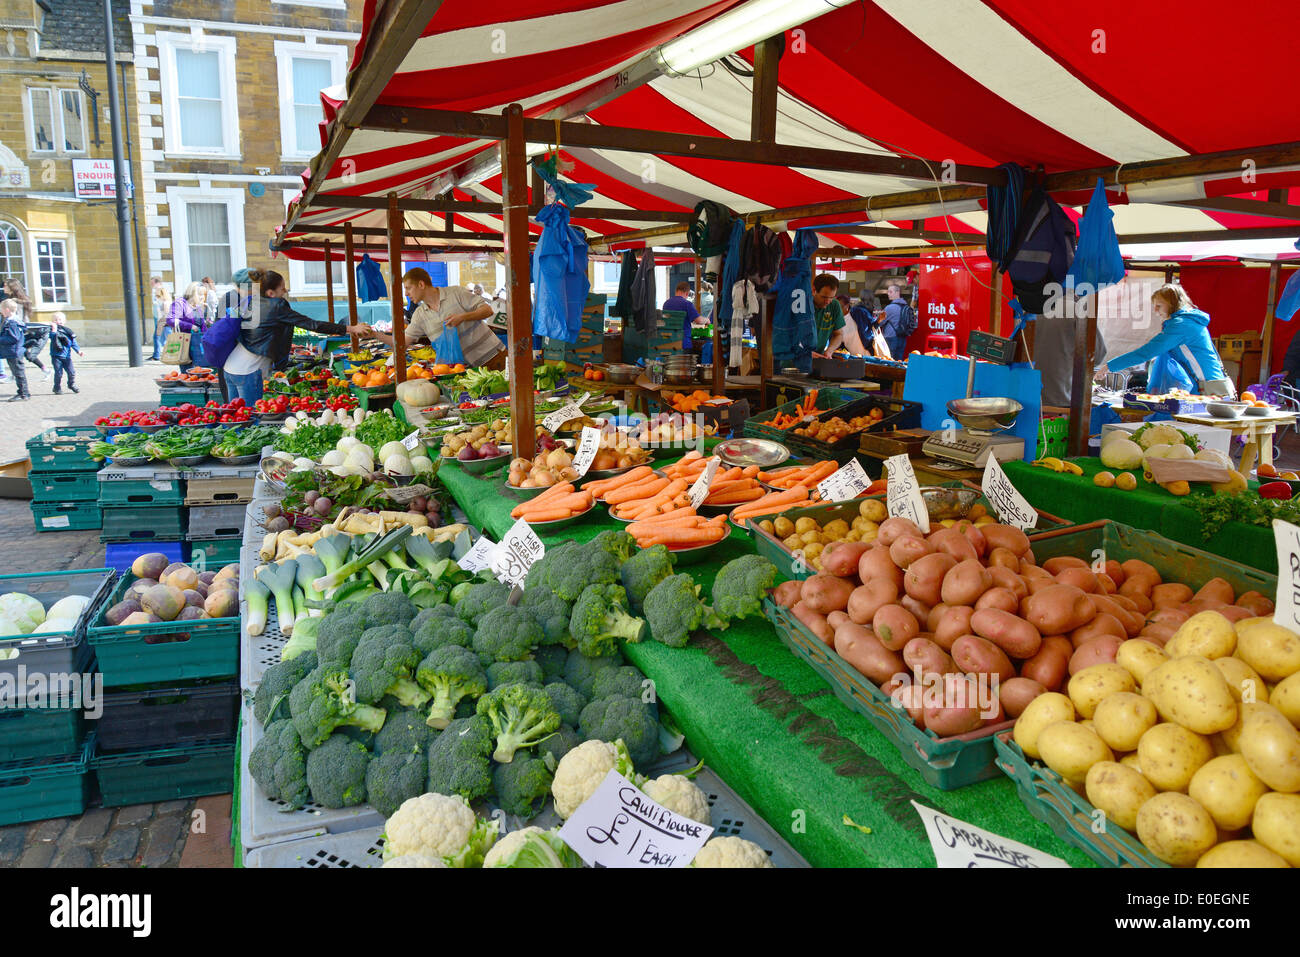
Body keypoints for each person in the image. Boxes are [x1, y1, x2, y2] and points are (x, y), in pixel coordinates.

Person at [223, 269, 367, 404]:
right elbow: (313, 325)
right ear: (271, 293)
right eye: (282, 288)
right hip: (248, 371)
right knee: (251, 421)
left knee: (236, 420)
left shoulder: (253, 302)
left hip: (231, 366)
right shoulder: (276, 306)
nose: (285, 291)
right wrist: (351, 328)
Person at [1095, 284, 1235, 397]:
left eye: (1159, 306)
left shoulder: (1181, 325)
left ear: (1172, 303)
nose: (1156, 311)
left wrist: (1109, 366)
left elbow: (1145, 353)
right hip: (1209, 385)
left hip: (1208, 389)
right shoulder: (1190, 320)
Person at [370, 268, 504, 370]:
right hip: (465, 370)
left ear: (421, 285)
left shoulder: (456, 293)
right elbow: (402, 343)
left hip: (493, 357)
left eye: (408, 288)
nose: (406, 293)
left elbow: (488, 310)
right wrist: (375, 334)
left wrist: (463, 317)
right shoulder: (420, 315)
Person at [165, 282, 207, 372]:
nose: (202, 297)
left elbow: (202, 325)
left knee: (202, 370)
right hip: (185, 344)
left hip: (198, 344)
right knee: (188, 372)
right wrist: (190, 326)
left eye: (203, 295)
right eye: (200, 294)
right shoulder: (180, 303)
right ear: (192, 293)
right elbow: (170, 320)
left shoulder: (198, 306)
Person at [810, 273, 846, 357]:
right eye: (824, 297)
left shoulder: (834, 305)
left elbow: (838, 334)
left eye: (831, 297)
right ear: (814, 290)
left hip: (818, 360)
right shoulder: (801, 304)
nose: (828, 301)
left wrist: (829, 351)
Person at [662, 281, 702, 351]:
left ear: (676, 291)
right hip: (684, 343)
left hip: (668, 342)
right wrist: (707, 320)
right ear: (687, 293)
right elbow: (699, 321)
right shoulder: (687, 304)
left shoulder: (666, 303)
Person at [0, 299, 28, 401]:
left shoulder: (12, 323)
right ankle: (23, 393)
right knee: (17, 373)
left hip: (14, 351)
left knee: (19, 373)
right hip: (12, 351)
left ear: (7, 310)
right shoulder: (11, 321)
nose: (1, 312)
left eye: (1, 309)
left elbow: (13, 338)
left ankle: (23, 394)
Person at [878, 283, 914, 360]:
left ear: (897, 292)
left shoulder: (889, 308)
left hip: (890, 338)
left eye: (890, 292)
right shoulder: (906, 306)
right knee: (899, 361)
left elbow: (880, 322)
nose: (888, 294)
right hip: (903, 337)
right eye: (888, 292)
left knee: (889, 361)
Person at [49, 311, 81, 394]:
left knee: (71, 372)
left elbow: (73, 342)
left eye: (60, 319)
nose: (58, 321)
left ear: (64, 321)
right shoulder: (52, 331)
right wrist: (54, 330)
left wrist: (78, 351)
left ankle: (71, 384)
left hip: (66, 356)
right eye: (55, 320)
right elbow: (52, 337)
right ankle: (57, 387)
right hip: (56, 356)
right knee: (59, 373)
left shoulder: (68, 331)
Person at [149, 277, 172, 361]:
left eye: (157, 296)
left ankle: (158, 355)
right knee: (166, 337)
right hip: (162, 320)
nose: (156, 297)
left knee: (161, 337)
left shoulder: (165, 301)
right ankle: (160, 354)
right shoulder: (164, 299)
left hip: (162, 320)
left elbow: (165, 312)